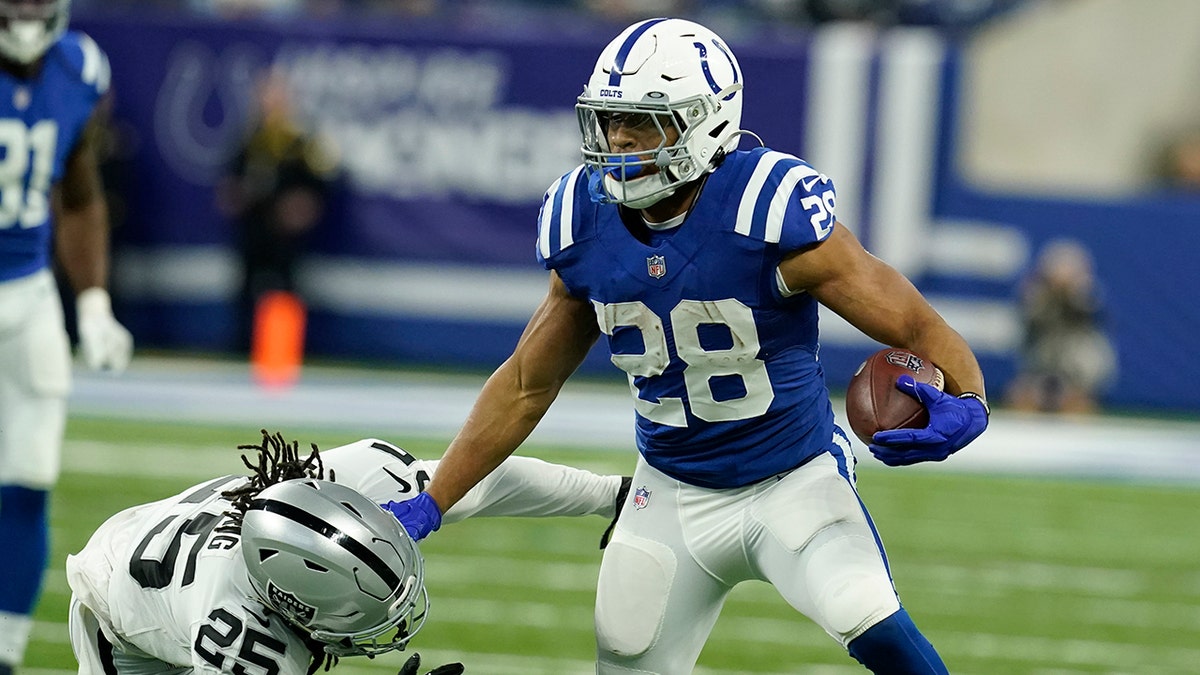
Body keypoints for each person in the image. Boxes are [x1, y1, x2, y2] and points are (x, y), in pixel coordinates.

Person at [384, 17, 990, 674]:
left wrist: (972, 402)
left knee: (870, 618)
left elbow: (915, 323)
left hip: (793, 476)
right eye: (611, 120)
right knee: (625, 658)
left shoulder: (764, 208)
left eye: (642, 122)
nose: (619, 139)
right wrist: (434, 499)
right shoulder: (582, 221)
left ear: (704, 122)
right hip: (670, 493)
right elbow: (527, 384)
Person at [66, 430, 629, 675]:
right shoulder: (246, 642)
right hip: (118, 606)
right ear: (291, 608)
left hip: (180, 542)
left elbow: (483, 480)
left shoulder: (351, 484)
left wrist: (613, 496)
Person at [0, 1, 133, 672]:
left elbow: (78, 194)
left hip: (28, 297)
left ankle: (4, 652)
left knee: (27, 480)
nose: (23, 12)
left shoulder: (77, 68)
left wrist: (93, 302)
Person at [216, 66, 337, 353]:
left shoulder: (300, 143)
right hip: (253, 226)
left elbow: (320, 184)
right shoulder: (249, 139)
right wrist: (235, 196)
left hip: (284, 231)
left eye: (277, 97)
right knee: (246, 287)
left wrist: (305, 205)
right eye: (266, 97)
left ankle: (282, 349)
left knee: (286, 289)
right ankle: (242, 346)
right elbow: (230, 182)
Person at [1005, 238, 1116, 414]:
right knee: (1022, 398)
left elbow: (1089, 316)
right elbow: (1032, 321)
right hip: (1041, 365)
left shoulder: (1086, 296)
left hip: (1076, 368)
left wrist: (1072, 293)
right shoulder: (1036, 295)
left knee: (1077, 403)